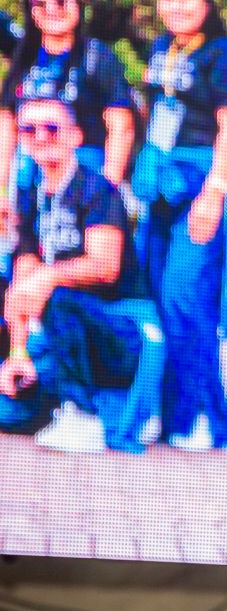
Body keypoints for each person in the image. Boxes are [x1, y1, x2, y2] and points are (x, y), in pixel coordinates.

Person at [133, 0, 227, 450]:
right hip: (159, 188)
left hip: (199, 187)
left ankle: (201, 416)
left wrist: (214, 193)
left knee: (186, 297)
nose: (175, 6)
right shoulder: (161, 49)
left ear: (205, 1)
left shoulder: (223, 57)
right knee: (155, 296)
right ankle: (165, 414)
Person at [0, 98, 160, 453]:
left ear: (75, 136)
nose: (40, 136)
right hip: (62, 334)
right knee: (7, 413)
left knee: (58, 296)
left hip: (120, 332)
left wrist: (47, 277)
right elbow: (23, 282)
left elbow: (105, 266)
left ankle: (85, 416)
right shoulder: (30, 195)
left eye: (51, 128)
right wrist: (18, 352)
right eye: (29, 129)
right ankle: (50, 394)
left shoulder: (98, 190)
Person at [0, 0, 135, 218]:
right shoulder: (25, 57)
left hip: (82, 183)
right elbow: (7, 124)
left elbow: (121, 127)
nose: (52, 9)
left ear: (76, 2)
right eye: (40, 4)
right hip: (29, 186)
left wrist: (106, 193)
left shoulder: (96, 56)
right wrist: (2, 188)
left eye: (61, 1)